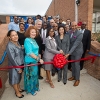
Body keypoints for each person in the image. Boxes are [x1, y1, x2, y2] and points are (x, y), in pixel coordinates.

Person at [24, 26, 44, 95]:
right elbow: (29, 52)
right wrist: (39, 59)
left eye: (35, 32)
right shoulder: (27, 40)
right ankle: (31, 90)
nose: (34, 33)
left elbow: (35, 50)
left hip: (35, 60)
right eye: (32, 32)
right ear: (29, 33)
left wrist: (38, 55)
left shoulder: (33, 40)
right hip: (30, 61)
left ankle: (35, 87)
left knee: (35, 75)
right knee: (30, 76)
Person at [6, 30, 24, 98]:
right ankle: (17, 92)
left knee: (18, 78)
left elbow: (18, 52)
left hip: (19, 63)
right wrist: (18, 68)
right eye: (13, 35)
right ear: (9, 37)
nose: (15, 36)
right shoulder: (9, 45)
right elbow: (12, 58)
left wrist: (22, 48)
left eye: (16, 35)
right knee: (14, 79)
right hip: (14, 66)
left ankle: (19, 88)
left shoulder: (17, 42)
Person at [66, 21, 83, 86]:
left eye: (75, 25)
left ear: (77, 26)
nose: (73, 27)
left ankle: (77, 79)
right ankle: (73, 76)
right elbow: (68, 42)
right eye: (72, 26)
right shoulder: (69, 32)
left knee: (76, 65)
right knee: (72, 64)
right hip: (71, 51)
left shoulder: (80, 34)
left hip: (77, 52)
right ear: (71, 26)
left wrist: (68, 53)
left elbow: (75, 45)